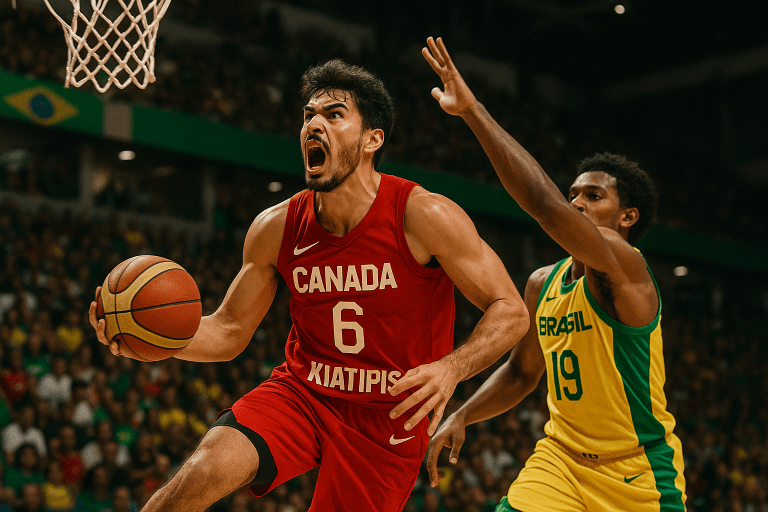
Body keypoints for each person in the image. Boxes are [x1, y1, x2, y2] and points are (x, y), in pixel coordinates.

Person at [88, 59, 529, 511]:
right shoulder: (277, 226)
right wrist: (148, 336)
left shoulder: (423, 215)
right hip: (303, 393)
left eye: (334, 115)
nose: (314, 124)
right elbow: (228, 331)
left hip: (389, 416)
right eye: (308, 115)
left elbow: (511, 309)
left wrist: (452, 368)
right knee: (201, 472)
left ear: (372, 139)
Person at [422, 37, 687, 512]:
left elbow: (545, 207)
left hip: (637, 470)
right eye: (575, 194)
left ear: (627, 217)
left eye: (593, 196)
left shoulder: (627, 265)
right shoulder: (544, 283)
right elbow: (523, 373)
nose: (577, 203)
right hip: (560, 463)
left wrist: (472, 110)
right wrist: (463, 413)